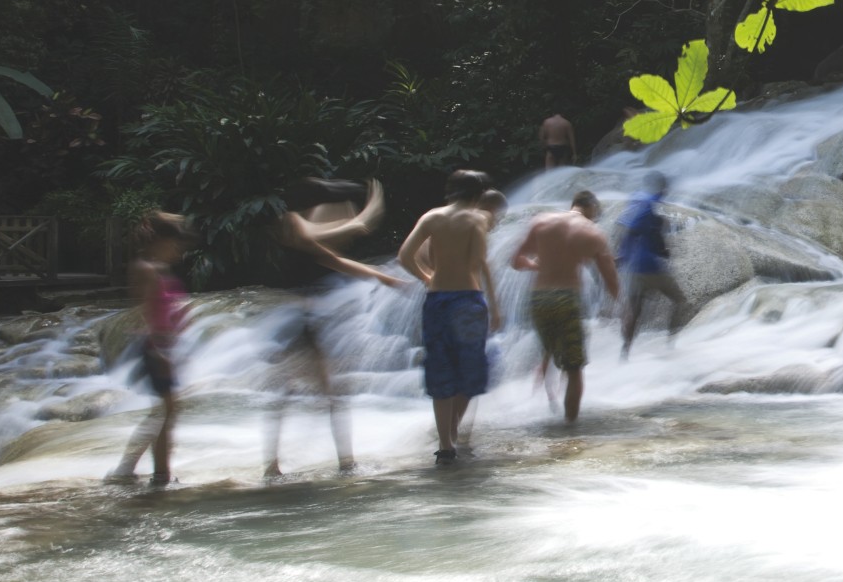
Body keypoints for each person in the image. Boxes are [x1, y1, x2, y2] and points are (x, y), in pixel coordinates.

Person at [264, 178, 406, 478]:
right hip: (295, 321)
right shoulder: (291, 221)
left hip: (305, 321)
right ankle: (339, 463)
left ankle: (334, 462)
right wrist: (359, 221)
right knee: (311, 395)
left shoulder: (306, 236)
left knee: (307, 395)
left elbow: (336, 261)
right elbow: (317, 236)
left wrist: (384, 277)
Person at [398, 170, 503, 464]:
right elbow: (478, 260)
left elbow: (404, 255)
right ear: (478, 194)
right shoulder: (477, 220)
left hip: (437, 300)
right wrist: (495, 306)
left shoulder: (431, 217)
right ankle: (455, 430)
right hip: (468, 301)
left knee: (440, 368)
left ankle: (445, 446)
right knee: (469, 369)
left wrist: (426, 276)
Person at [511, 190, 620, 422]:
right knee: (574, 368)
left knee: (548, 352)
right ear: (591, 207)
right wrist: (622, 306)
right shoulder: (593, 233)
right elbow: (610, 279)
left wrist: (538, 266)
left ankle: (542, 401)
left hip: (538, 298)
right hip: (567, 298)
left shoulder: (541, 221)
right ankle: (570, 428)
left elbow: (516, 261)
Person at [108, 211, 196, 487]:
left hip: (164, 347)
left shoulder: (159, 268)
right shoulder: (145, 269)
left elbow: (163, 309)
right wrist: (159, 351)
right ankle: (158, 475)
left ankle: (130, 470)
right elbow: (143, 313)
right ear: (159, 241)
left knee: (164, 412)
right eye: (175, 243)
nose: (178, 249)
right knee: (167, 412)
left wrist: (180, 319)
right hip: (154, 348)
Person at [617, 172, 687, 359]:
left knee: (635, 310)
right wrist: (661, 249)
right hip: (650, 267)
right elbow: (635, 227)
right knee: (680, 300)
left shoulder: (636, 200)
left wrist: (624, 255)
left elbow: (642, 229)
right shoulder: (652, 202)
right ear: (660, 187)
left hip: (634, 267)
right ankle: (671, 344)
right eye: (665, 187)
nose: (667, 191)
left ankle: (624, 352)